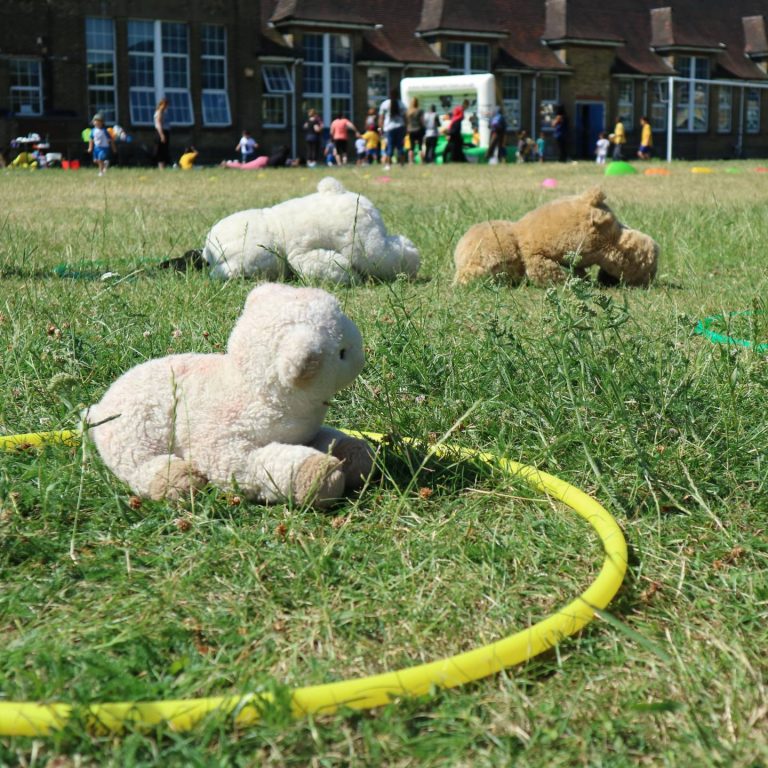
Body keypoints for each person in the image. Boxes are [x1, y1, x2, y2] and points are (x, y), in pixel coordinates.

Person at [378, 87, 407, 170]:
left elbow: (381, 118)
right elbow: (405, 117)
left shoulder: (384, 104)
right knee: (400, 146)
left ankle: (388, 165)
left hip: (389, 128)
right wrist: (406, 127)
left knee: (389, 146)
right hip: (400, 127)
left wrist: (380, 128)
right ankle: (402, 165)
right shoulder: (401, 104)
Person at [405, 97, 425, 164]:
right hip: (419, 129)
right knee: (420, 146)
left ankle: (411, 161)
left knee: (411, 147)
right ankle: (422, 161)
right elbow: (422, 121)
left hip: (410, 130)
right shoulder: (420, 111)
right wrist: (424, 128)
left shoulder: (408, 111)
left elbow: (406, 121)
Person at [153, 97, 171, 169]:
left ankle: (163, 166)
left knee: (164, 150)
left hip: (165, 132)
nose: (166, 106)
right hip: (161, 132)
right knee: (160, 150)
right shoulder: (159, 112)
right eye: (165, 105)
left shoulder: (164, 112)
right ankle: (161, 166)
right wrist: (162, 135)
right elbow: (158, 124)